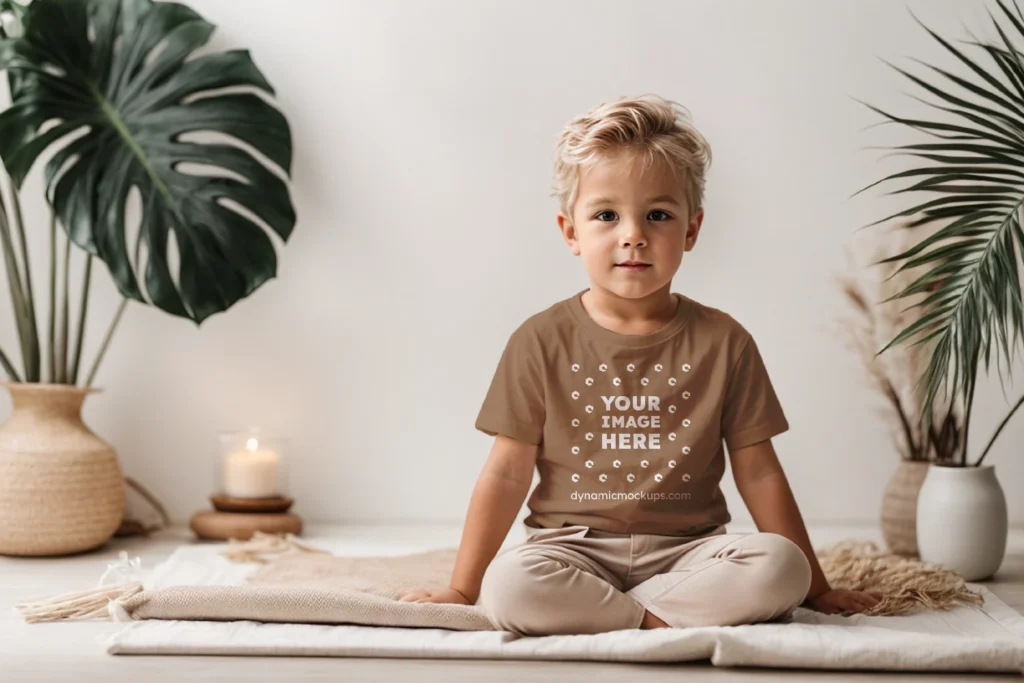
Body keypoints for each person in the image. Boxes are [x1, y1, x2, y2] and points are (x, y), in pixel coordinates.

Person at [398, 94, 879, 635]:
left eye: (658, 215)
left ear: (691, 230)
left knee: (779, 567)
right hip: (572, 552)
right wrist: (463, 588)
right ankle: (663, 619)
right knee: (509, 586)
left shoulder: (725, 341)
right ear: (571, 232)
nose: (633, 234)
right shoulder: (539, 340)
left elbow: (759, 469)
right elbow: (506, 471)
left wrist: (816, 587)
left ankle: (614, 616)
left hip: (689, 554)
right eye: (606, 215)